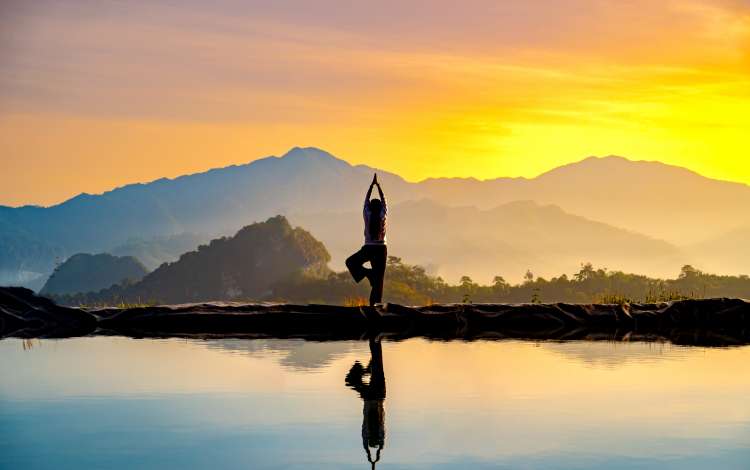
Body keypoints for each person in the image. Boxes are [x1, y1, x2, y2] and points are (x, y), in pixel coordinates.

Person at [346, 173, 388, 306]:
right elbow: (384, 200)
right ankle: (375, 305)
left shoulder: (367, 214)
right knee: (379, 279)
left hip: (369, 248)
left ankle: (368, 274)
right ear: (380, 207)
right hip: (381, 249)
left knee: (351, 262)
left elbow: (366, 201)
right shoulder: (383, 216)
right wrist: (378, 186)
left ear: (370, 207)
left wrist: (372, 186)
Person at [345, 338, 386, 469]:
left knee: (377, 368)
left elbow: (380, 444)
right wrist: (371, 458)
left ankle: (368, 365)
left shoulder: (378, 431)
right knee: (375, 369)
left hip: (378, 395)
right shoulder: (371, 431)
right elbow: (366, 443)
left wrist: (374, 458)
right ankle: (367, 366)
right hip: (372, 396)